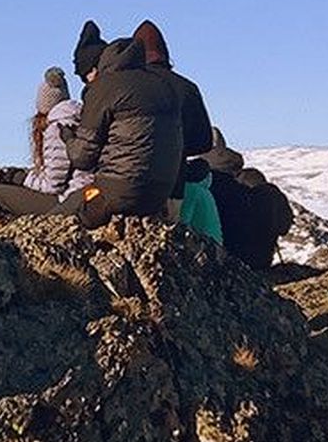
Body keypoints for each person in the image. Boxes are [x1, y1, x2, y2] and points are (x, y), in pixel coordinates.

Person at [54, 33, 182, 228]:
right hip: (160, 195)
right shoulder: (164, 87)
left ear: (103, 63)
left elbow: (82, 158)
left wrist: (68, 138)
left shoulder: (104, 88)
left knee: (56, 220)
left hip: (117, 192)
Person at [0, 68, 89, 229]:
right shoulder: (80, 121)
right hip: (80, 196)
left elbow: (53, 185)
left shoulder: (57, 129)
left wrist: (21, 179)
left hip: (64, 201)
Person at [130, 20, 213, 223]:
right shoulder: (187, 88)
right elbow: (204, 141)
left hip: (131, 187)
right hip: (174, 184)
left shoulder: (127, 88)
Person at [197, 128, 293, 269]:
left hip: (218, 264)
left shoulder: (200, 188)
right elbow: (284, 227)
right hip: (259, 262)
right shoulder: (262, 191)